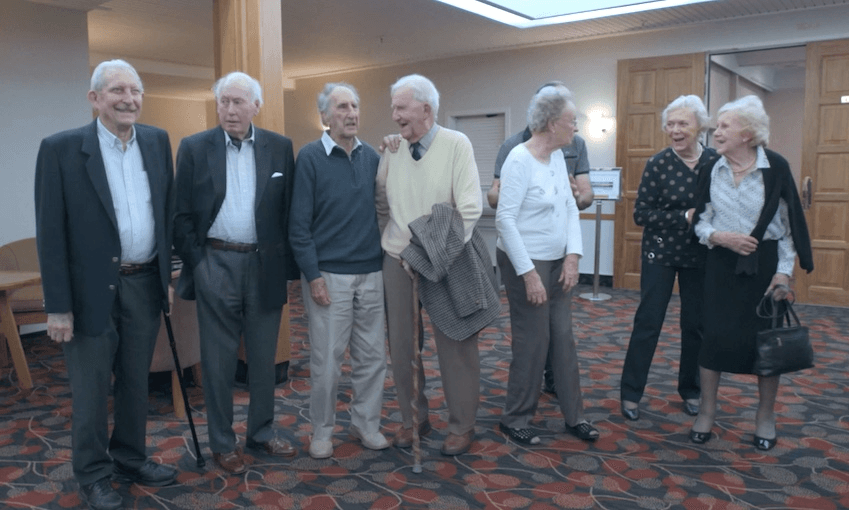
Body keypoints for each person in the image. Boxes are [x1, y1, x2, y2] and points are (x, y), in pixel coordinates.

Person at [34, 59, 177, 510]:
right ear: (95, 98)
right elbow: (50, 233)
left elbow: (165, 213)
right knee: (92, 390)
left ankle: (131, 458)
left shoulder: (156, 141)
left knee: (136, 381)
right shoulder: (60, 149)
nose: (129, 99)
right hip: (88, 293)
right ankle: (94, 474)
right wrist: (57, 306)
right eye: (117, 90)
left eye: (135, 91)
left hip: (144, 284)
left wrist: (165, 277)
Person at [173, 71, 297, 473]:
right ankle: (222, 443)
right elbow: (181, 215)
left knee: (263, 360)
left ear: (255, 106)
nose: (229, 109)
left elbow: (288, 212)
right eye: (223, 101)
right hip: (216, 263)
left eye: (238, 102)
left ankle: (260, 435)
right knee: (219, 362)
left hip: (264, 266)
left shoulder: (280, 148)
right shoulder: (194, 148)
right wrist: (200, 264)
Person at [691, 95, 813, 450]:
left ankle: (765, 416)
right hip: (721, 265)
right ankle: (707, 413)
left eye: (724, 126)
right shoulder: (711, 168)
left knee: (767, 343)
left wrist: (784, 274)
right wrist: (719, 236)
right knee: (712, 339)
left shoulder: (775, 167)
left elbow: (791, 228)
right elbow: (699, 220)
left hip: (766, 267)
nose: (716, 133)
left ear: (747, 133)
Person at [375, 74, 485, 456]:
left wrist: (429, 254)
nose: (394, 115)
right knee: (403, 347)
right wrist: (400, 248)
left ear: (426, 108)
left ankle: (462, 425)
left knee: (456, 344)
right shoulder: (392, 149)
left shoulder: (457, 144)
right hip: (397, 261)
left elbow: (470, 209)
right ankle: (412, 420)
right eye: (393, 108)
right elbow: (380, 203)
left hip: (446, 258)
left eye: (401, 108)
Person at [288, 83, 389, 459]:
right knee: (327, 361)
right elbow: (298, 226)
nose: (351, 113)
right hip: (328, 276)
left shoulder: (373, 158)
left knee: (372, 358)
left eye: (355, 106)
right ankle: (322, 430)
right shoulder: (311, 157)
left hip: (371, 272)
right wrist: (312, 275)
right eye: (342, 107)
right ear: (325, 117)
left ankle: (367, 424)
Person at [495, 85, 599, 445]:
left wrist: (573, 256)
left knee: (564, 339)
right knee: (533, 341)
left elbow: (571, 206)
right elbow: (505, 220)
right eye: (572, 121)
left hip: (557, 259)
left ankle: (575, 416)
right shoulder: (519, 159)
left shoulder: (557, 156)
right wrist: (528, 275)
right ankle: (515, 417)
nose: (576, 128)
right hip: (524, 259)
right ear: (553, 123)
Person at [619, 95, 719, 421]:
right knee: (648, 323)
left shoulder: (716, 162)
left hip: (701, 253)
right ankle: (631, 393)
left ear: (699, 127)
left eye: (682, 124)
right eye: (670, 124)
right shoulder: (658, 163)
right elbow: (641, 214)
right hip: (660, 252)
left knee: (696, 326)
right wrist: (684, 216)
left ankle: (690, 390)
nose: (674, 130)